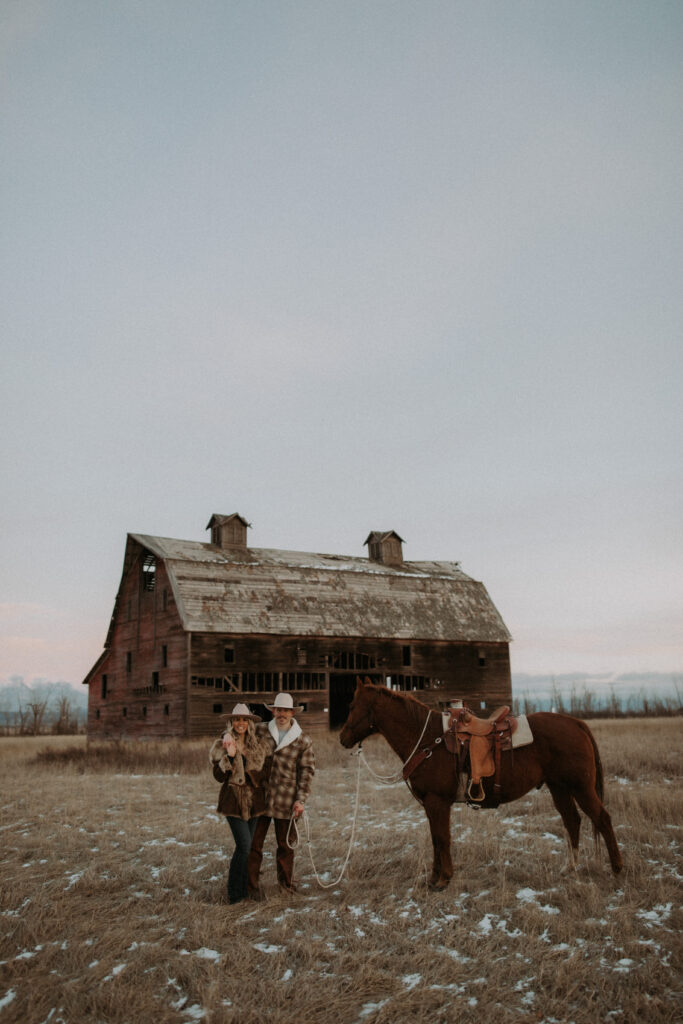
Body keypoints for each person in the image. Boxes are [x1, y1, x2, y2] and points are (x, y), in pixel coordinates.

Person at [247, 692, 315, 899]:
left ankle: (286, 887)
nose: (281, 714)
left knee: (285, 846)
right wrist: (226, 737)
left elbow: (306, 771)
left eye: (285, 710)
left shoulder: (302, 740)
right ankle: (251, 888)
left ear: (292, 712)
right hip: (260, 798)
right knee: (253, 845)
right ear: (273, 711)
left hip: (287, 801)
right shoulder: (260, 731)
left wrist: (300, 799)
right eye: (278, 710)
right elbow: (236, 731)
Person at [209, 703, 272, 905]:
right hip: (233, 801)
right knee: (243, 846)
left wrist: (253, 775)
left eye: (245, 720)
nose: (241, 723)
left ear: (250, 723)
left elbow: (264, 773)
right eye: (237, 720)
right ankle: (235, 895)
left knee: (248, 847)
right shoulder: (223, 744)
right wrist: (230, 756)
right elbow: (218, 776)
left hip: (255, 801)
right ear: (231, 722)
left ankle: (245, 891)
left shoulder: (257, 745)